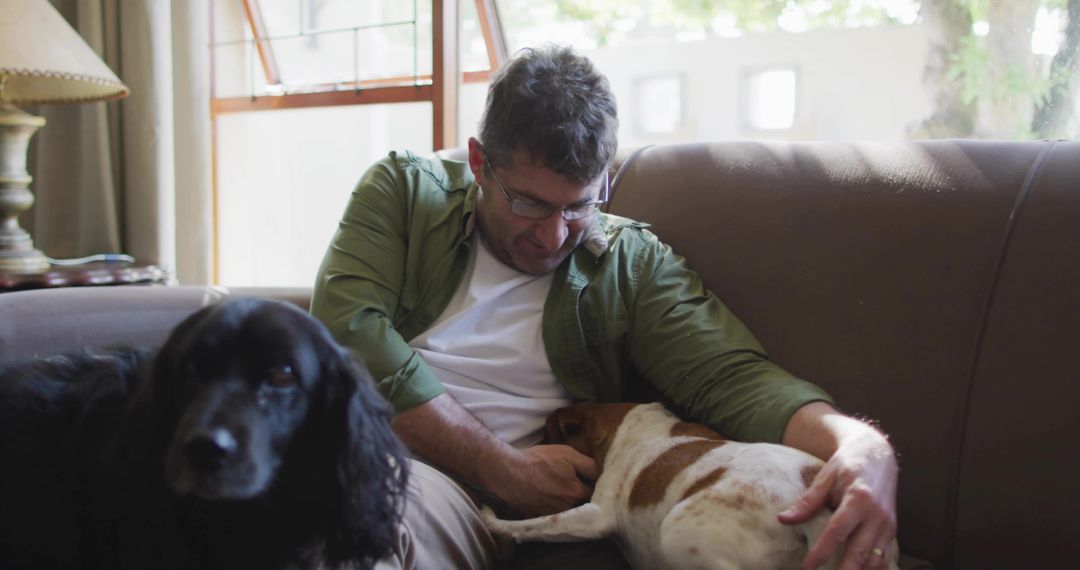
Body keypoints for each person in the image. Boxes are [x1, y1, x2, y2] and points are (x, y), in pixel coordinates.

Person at [311, 44, 898, 569]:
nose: (553, 237)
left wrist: (861, 449)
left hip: (560, 509)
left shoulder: (631, 262)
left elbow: (733, 379)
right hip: (409, 463)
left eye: (579, 207)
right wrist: (504, 470)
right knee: (359, 529)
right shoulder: (403, 192)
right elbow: (349, 336)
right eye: (528, 205)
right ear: (479, 163)